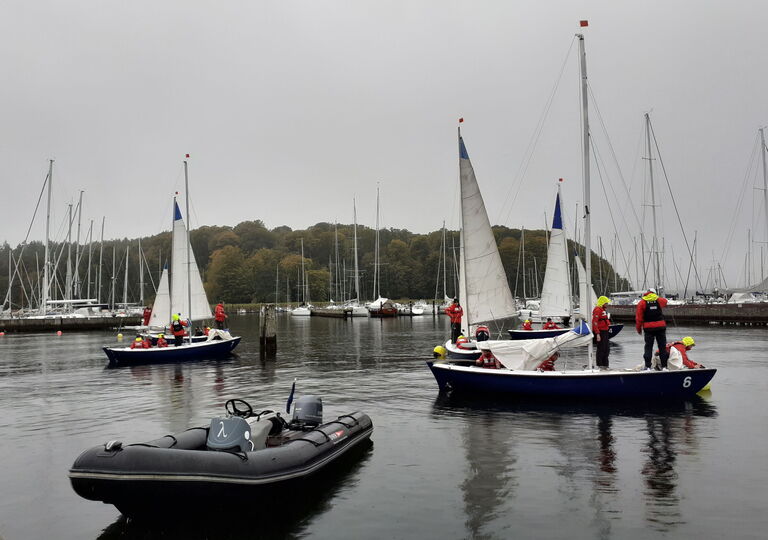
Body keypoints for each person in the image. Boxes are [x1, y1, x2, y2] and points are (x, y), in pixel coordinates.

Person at [635, 288, 669, 370]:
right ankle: (664, 367)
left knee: (648, 347)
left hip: (648, 328)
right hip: (661, 327)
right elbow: (665, 302)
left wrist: (639, 329)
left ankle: (648, 366)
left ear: (646, 293)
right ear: (654, 293)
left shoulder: (642, 303)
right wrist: (657, 297)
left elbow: (639, 318)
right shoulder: (659, 300)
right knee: (662, 347)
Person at [592, 296, 612, 369]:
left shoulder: (603, 310)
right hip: (600, 332)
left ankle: (606, 365)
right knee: (601, 349)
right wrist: (597, 334)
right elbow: (595, 322)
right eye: (606, 303)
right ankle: (600, 365)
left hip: (605, 331)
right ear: (603, 303)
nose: (607, 304)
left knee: (607, 349)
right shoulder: (597, 310)